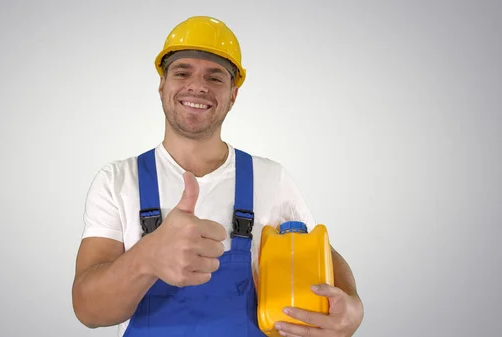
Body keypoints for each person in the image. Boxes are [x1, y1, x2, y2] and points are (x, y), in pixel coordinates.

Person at [72, 16, 364, 337]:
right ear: (162, 85)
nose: (197, 86)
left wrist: (352, 303)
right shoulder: (118, 180)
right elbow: (88, 311)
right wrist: (146, 257)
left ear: (233, 95)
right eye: (182, 72)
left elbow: (320, 251)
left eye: (215, 77)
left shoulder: (270, 178)